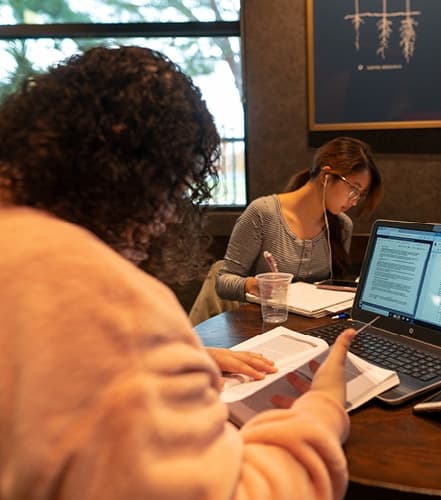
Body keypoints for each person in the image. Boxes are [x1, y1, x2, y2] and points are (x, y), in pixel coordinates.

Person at [0, 45, 356, 500]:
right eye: (177, 187)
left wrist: (184, 360)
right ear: (134, 173)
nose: (169, 217)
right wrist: (323, 406)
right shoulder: (107, 302)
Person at [216, 136, 384, 301]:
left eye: (360, 195)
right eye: (354, 189)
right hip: (263, 321)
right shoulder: (263, 214)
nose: (355, 201)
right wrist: (254, 285)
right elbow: (223, 282)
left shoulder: (342, 226)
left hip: (314, 325)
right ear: (326, 176)